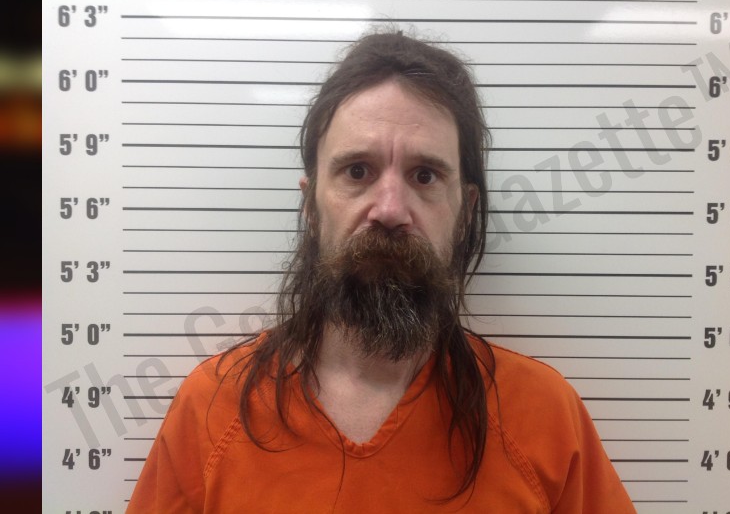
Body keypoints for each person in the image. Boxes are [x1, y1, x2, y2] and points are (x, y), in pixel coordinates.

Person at [127, 30, 636, 513]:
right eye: (357, 171)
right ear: (311, 205)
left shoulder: (545, 417)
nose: (390, 209)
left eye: (424, 175)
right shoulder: (211, 409)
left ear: (465, 211)